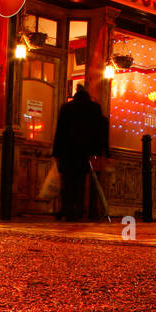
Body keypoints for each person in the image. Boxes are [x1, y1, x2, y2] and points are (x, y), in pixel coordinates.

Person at [52, 84, 107, 221]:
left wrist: (56, 152)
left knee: (67, 182)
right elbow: (99, 132)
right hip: (85, 152)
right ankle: (79, 209)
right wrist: (99, 151)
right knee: (80, 182)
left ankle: (68, 209)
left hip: (67, 151)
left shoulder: (67, 108)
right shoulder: (94, 108)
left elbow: (60, 131)